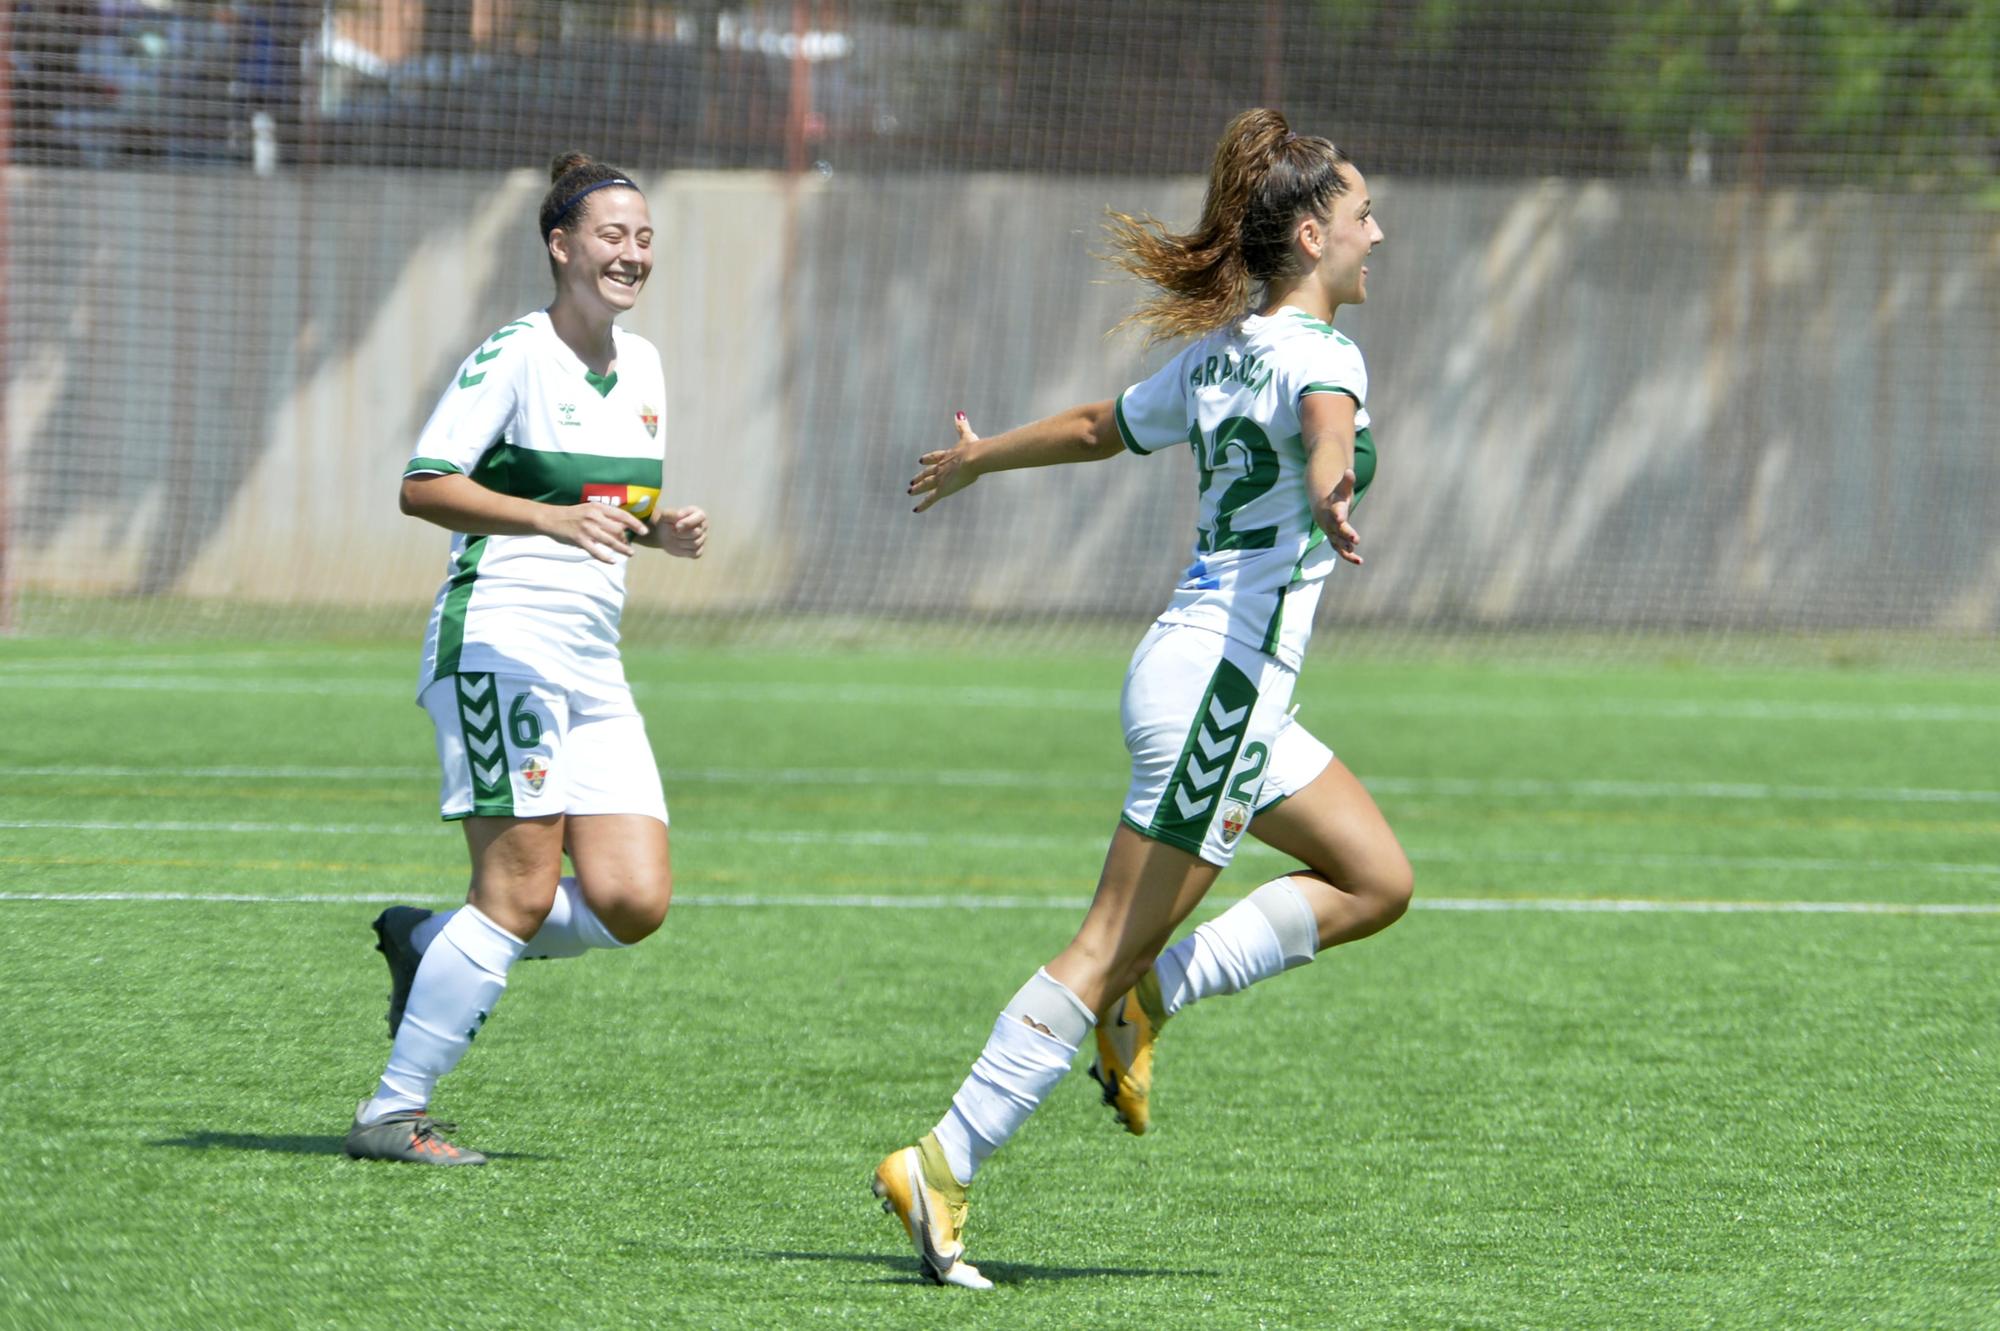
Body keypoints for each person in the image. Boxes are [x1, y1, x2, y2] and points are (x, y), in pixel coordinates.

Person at [872, 109, 1412, 1286]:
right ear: (1315, 234)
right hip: (1219, 685)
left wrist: (977, 457)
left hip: (1219, 683)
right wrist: (1329, 488)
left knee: (1375, 879)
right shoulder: (1321, 354)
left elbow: (1091, 426)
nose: (1380, 232)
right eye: (1365, 214)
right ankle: (942, 1156)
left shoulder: (1222, 354)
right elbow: (1326, 429)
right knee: (1103, 939)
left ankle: (1148, 1001)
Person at [344, 151, 709, 1166]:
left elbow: (602, 508)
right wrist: (544, 519)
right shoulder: (513, 353)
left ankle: (433, 945)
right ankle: (389, 1111)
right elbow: (424, 485)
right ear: (560, 245)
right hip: (500, 642)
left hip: (595, 659)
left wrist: (655, 529)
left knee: (632, 898)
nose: (631, 253)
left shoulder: (644, 367)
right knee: (514, 893)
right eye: (611, 235)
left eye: (642, 237)